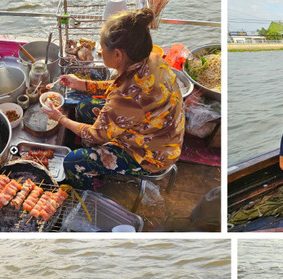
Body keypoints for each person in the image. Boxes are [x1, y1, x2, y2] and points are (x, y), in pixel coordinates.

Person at [42, 8, 185, 190]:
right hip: (152, 129)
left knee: (72, 162)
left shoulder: (126, 98)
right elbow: (122, 86)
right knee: (84, 107)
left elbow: (95, 134)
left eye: (102, 48)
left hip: (150, 155)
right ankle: (98, 157)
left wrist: (60, 118)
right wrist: (82, 84)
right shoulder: (152, 59)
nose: (100, 51)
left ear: (118, 54)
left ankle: (89, 188)